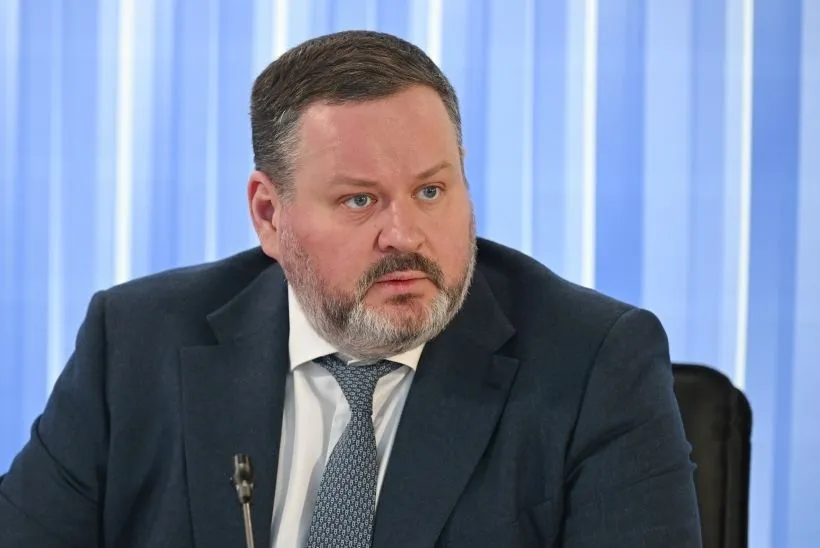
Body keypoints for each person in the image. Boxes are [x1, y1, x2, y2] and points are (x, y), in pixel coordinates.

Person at [0, 30, 701, 547]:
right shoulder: (134, 342)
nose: (405, 234)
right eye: (360, 200)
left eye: (431, 190)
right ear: (269, 215)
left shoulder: (593, 363)